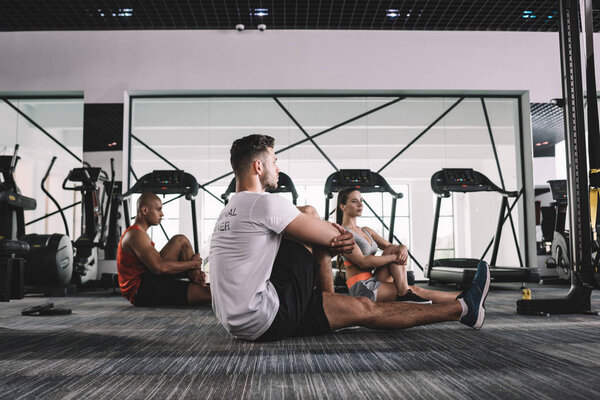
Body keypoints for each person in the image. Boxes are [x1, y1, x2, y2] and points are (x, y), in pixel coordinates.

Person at [209, 134, 490, 342]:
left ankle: (463, 308)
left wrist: (326, 234)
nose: (277, 168)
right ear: (258, 167)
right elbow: (333, 237)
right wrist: (333, 237)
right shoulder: (264, 203)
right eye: (274, 162)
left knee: (365, 309)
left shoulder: (230, 209)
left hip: (239, 322)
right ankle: (324, 296)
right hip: (265, 315)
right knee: (310, 223)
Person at [336, 187, 460, 304]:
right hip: (362, 287)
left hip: (374, 278)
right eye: (354, 201)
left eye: (361, 201)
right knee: (417, 290)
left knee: (394, 249)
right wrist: (395, 258)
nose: (360, 204)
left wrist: (403, 248)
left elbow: (392, 247)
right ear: (343, 206)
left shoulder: (366, 230)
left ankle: (404, 292)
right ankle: (461, 297)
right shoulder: (343, 233)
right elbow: (364, 262)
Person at [117, 192, 211, 307]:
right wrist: (192, 264)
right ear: (145, 210)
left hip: (149, 286)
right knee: (211, 294)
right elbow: (158, 267)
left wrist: (193, 268)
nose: (162, 214)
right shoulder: (135, 235)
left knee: (181, 240)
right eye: (158, 209)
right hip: (144, 291)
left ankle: (197, 280)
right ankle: (200, 284)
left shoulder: (139, 233)